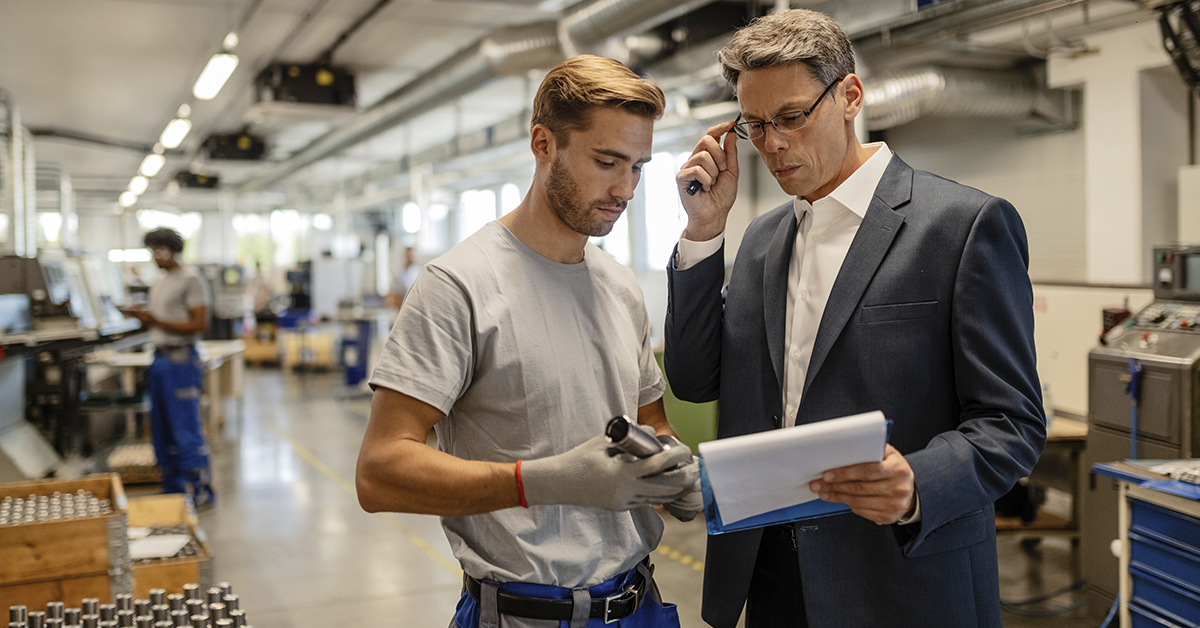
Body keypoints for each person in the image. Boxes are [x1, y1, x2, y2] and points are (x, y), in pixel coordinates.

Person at [663, 10, 1046, 628]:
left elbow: (1012, 423)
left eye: (791, 117)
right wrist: (705, 234)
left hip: (899, 573)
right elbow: (693, 377)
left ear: (849, 95)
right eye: (755, 125)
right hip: (770, 571)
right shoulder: (762, 240)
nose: (773, 144)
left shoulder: (961, 227)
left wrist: (918, 482)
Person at [356, 55, 701, 628]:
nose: (625, 189)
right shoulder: (458, 286)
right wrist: (542, 480)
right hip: (522, 615)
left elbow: (650, 426)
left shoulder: (620, 287)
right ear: (544, 143)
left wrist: (672, 473)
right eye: (607, 162)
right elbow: (379, 471)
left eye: (638, 167)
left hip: (639, 605)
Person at [133, 228, 215, 506]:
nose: (155, 256)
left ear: (172, 250)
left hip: (181, 360)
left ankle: (200, 492)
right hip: (159, 360)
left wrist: (156, 321)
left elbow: (199, 323)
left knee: (185, 430)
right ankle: (173, 494)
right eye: (152, 251)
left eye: (159, 250)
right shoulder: (160, 280)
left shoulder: (190, 279)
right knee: (162, 430)